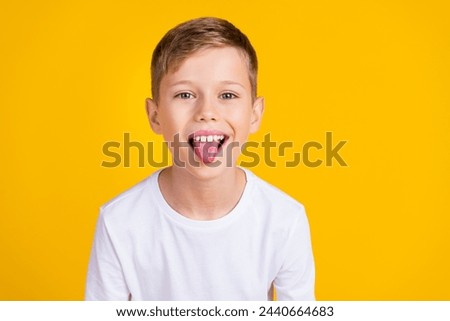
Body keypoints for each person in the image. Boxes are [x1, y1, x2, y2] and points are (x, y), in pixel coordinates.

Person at [85, 17, 315, 301]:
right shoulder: (119, 222)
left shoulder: (284, 220)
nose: (207, 111)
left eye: (227, 95)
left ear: (254, 114)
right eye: (185, 94)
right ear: (155, 116)